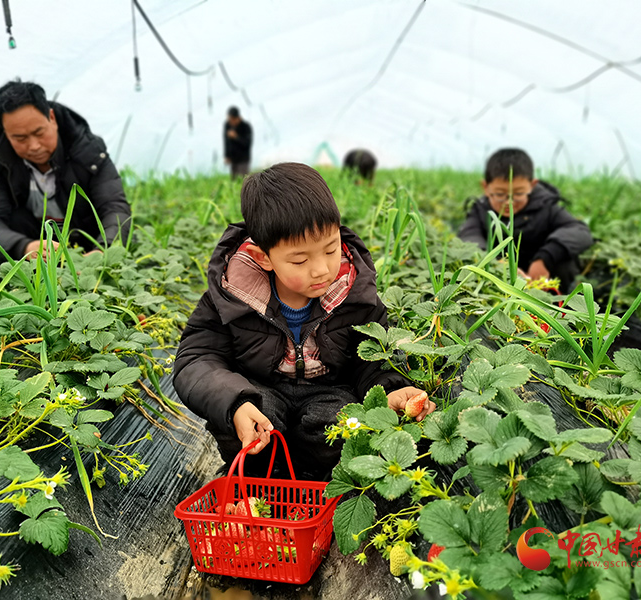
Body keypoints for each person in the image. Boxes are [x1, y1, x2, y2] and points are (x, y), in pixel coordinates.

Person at [173, 162, 434, 480]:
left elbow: (372, 355)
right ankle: (255, 480)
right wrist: (234, 402)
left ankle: (324, 482)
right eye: (300, 259)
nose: (322, 269)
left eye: (330, 249)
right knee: (249, 416)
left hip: (330, 390)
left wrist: (390, 388)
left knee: (342, 427)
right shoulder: (232, 294)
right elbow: (197, 358)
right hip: (261, 388)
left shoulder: (354, 292)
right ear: (263, 258)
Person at [0, 80, 132, 260]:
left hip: (88, 243)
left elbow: (115, 208)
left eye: (39, 133)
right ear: (5, 132)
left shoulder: (87, 151)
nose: (34, 146)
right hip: (31, 251)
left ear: (52, 118)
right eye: (20, 138)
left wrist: (103, 251)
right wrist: (24, 247)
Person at [458, 148, 593, 293]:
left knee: (564, 261)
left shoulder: (546, 206)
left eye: (519, 194)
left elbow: (580, 231)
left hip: (542, 280)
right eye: (499, 194)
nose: (509, 202)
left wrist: (545, 258)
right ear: (485, 187)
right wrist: (496, 264)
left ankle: (560, 309)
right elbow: (468, 238)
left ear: (532, 185)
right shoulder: (480, 211)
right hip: (499, 282)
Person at [223, 106, 252, 179]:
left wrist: (236, 137)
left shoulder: (245, 127)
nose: (230, 122)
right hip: (233, 159)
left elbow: (247, 144)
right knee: (234, 181)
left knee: (243, 180)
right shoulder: (227, 126)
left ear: (237, 118)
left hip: (243, 159)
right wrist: (227, 155)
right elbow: (226, 142)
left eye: (232, 119)